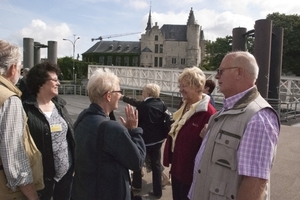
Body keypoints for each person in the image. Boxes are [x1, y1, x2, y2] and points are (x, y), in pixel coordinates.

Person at [188, 51, 280, 200]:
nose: (217, 76)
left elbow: (255, 183)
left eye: (221, 71)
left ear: (239, 72)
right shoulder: (229, 109)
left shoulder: (258, 118)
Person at [71, 69, 146, 200]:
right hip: (108, 193)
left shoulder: (82, 118)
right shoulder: (112, 128)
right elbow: (137, 161)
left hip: (85, 190)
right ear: (108, 96)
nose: (121, 95)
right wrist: (134, 131)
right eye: (118, 92)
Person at [163, 66, 217, 200]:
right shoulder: (184, 105)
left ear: (198, 87)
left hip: (191, 175)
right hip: (177, 169)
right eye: (179, 85)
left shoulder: (209, 113)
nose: (180, 89)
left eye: (184, 86)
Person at [23, 62, 75, 200]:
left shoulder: (60, 106)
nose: (58, 83)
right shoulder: (26, 110)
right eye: (54, 80)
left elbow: (70, 138)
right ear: (41, 83)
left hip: (66, 176)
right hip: (42, 180)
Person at [0, 40, 40, 200]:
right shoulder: (9, 99)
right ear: (12, 69)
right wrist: (32, 196)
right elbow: (13, 155)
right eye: (19, 67)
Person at [122, 83, 168, 198]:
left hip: (145, 140)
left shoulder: (143, 106)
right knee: (156, 165)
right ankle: (157, 191)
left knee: (138, 160)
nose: (142, 93)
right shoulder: (162, 104)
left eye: (143, 91)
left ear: (147, 93)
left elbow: (137, 122)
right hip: (158, 140)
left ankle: (137, 184)